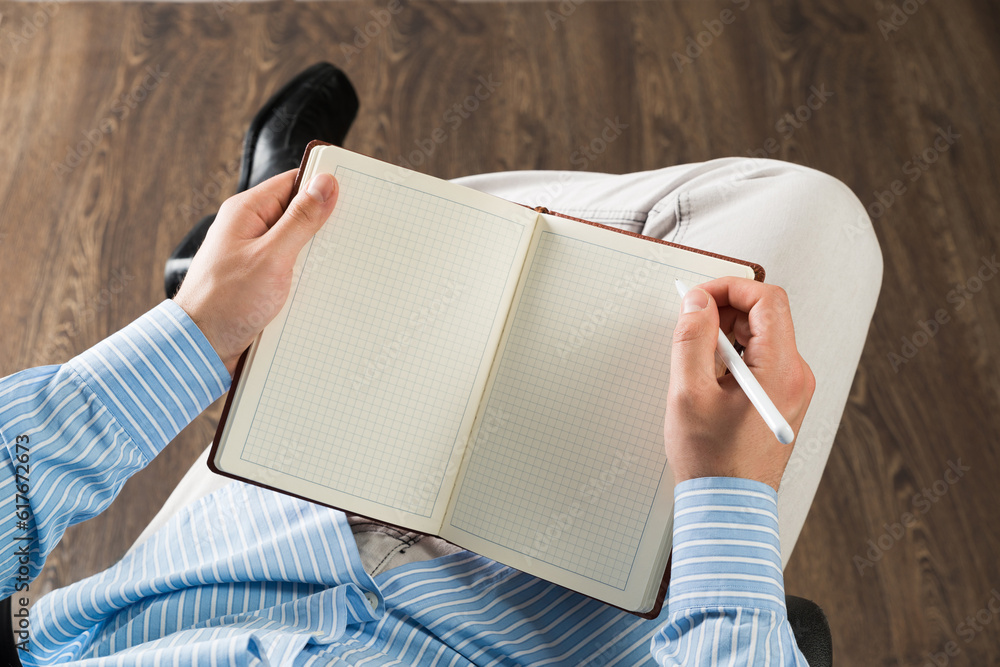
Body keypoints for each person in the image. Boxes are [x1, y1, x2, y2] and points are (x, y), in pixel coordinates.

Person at [0, 64, 882, 665]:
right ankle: (280, 221)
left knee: (417, 245)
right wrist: (728, 504)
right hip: (539, 627)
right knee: (805, 211)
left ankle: (263, 245)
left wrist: (194, 333)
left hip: (237, 553)